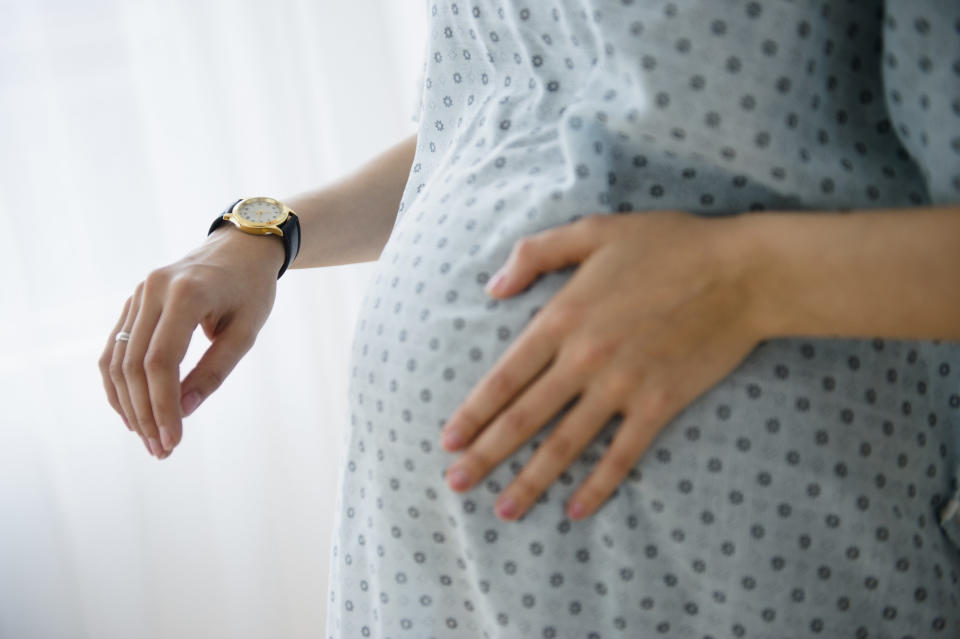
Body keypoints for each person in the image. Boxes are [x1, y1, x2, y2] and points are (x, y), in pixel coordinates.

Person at [100, 1, 960, 637]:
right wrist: (264, 233)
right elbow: (502, 124)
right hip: (422, 571)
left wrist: (744, 278)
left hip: (739, 560)